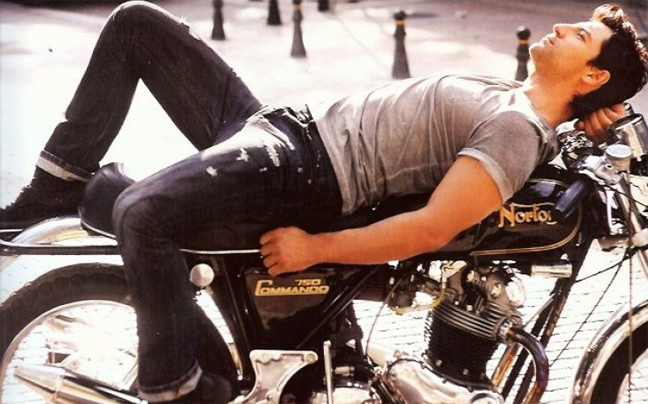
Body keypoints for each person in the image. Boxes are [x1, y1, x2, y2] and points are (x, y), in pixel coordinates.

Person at [1, 1, 647, 402]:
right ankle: (54, 185)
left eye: (579, 35)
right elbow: (553, 120)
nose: (560, 26)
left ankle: (175, 387)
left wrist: (316, 248)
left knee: (141, 214)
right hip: (279, 129)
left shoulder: (517, 131)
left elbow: (430, 228)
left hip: (302, 168)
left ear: (591, 74)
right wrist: (590, 115)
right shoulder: (518, 103)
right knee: (135, 24)